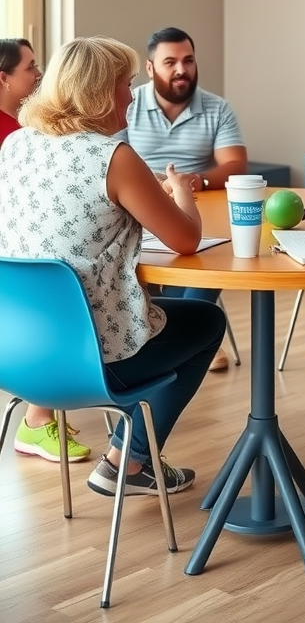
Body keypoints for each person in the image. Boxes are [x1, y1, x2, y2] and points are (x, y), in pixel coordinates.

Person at [0, 36, 226, 496]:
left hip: (15, 358)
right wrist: (181, 190)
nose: (132, 94)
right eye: (126, 83)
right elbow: (185, 239)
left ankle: (129, 456)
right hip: (92, 360)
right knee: (206, 320)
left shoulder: (16, 145)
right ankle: (130, 459)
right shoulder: (113, 157)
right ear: (102, 92)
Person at [125, 26, 248, 372]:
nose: (182, 69)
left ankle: (182, 335)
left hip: (200, 200)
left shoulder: (217, 107)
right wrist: (155, 187)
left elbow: (235, 163)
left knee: (217, 253)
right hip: (140, 202)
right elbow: (111, 157)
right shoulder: (127, 103)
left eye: (189, 60)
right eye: (171, 62)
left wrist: (199, 179)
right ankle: (188, 335)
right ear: (150, 68)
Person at [0, 37, 89, 463]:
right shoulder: (15, 139)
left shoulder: (19, 135)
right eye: (30, 67)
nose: (38, 75)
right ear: (4, 78)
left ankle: (40, 413)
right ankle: (37, 419)